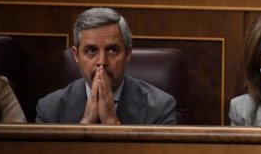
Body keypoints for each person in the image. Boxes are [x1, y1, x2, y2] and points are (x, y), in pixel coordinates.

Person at [36, 7, 176, 125]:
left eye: (112, 50)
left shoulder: (160, 108)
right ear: (76, 56)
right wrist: (84, 125)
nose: (102, 61)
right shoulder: (50, 109)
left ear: (128, 54)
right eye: (91, 50)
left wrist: (111, 122)